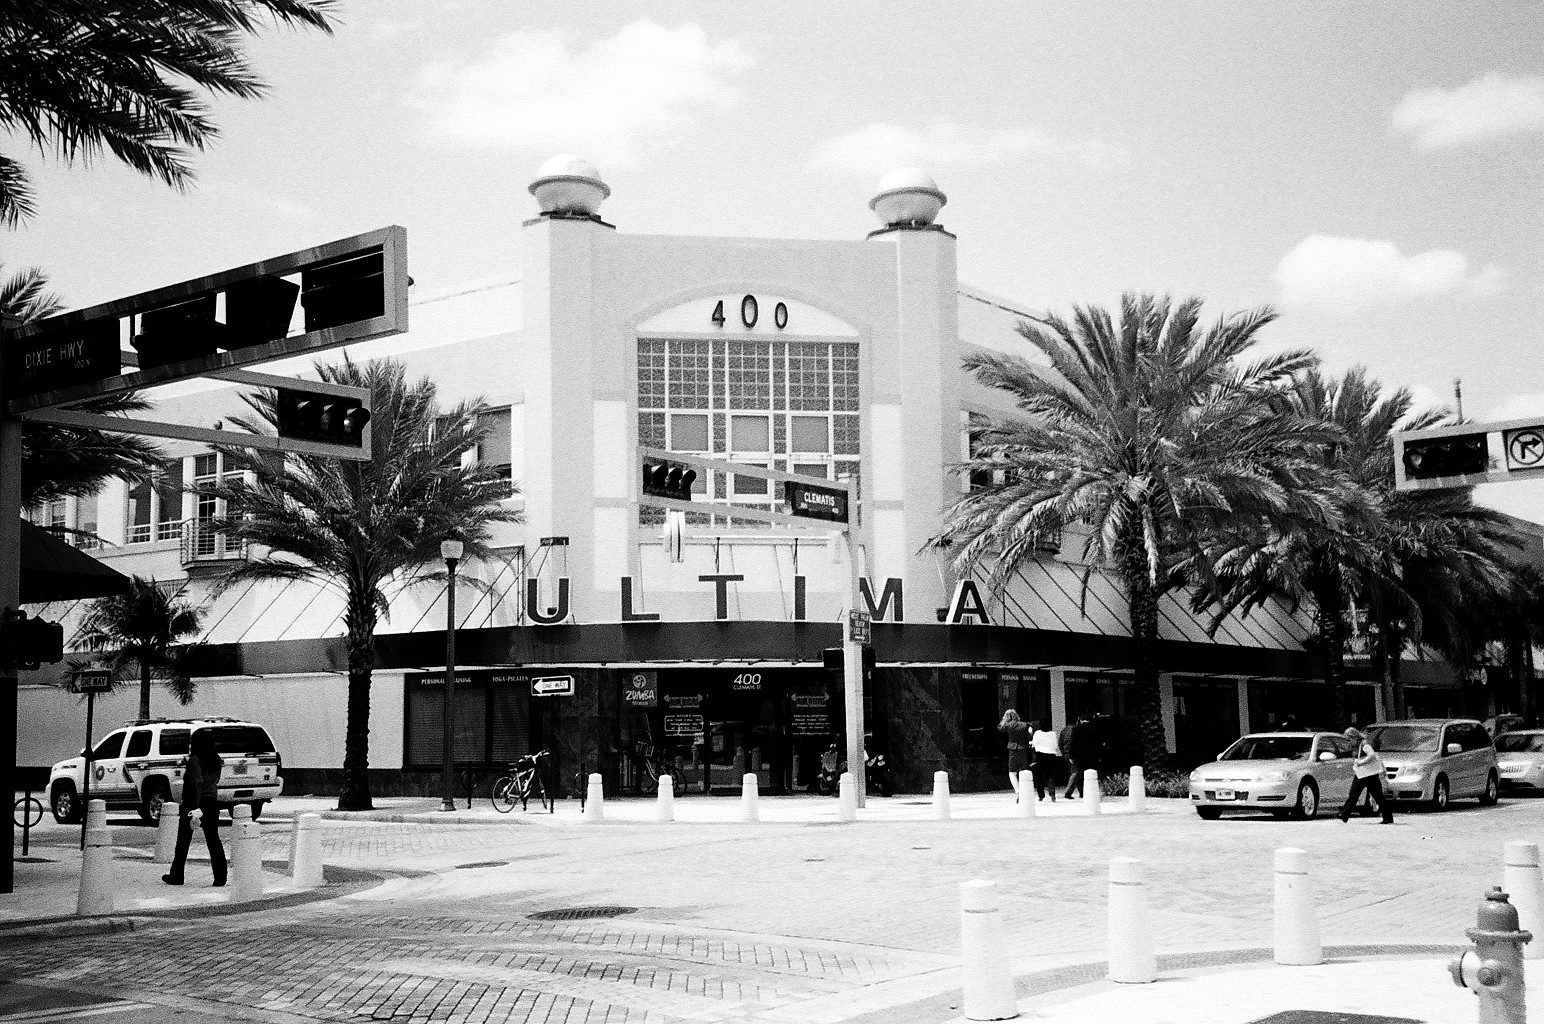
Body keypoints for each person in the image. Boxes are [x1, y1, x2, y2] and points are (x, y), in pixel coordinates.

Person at [163, 729, 227, 886]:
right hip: (212, 802)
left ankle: (177, 875)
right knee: (213, 840)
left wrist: (196, 809)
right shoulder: (216, 760)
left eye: (192, 742)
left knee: (183, 841)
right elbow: (215, 781)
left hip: (194, 803)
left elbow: (197, 783)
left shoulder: (195, 761)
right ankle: (220, 876)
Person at [1337, 726, 1393, 825]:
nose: (1348, 742)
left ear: (1354, 737)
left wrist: (1361, 762)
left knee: (1377, 796)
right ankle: (1344, 814)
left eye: (1349, 739)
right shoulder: (1356, 746)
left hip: (1369, 774)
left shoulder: (1364, 744)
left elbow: (1372, 755)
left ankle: (1388, 817)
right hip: (1362, 774)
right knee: (1354, 794)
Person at [998, 709, 1031, 800]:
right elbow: (1029, 737)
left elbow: (999, 728)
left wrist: (1004, 720)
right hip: (1023, 749)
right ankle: (1024, 790)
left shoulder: (1007, 725)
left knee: (1012, 772)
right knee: (1023, 770)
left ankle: (1018, 791)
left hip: (1012, 749)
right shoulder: (1024, 725)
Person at [1063, 715, 1093, 799]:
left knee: (1077, 773)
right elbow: (1097, 743)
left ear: (1080, 720)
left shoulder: (1076, 729)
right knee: (1090, 773)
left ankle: (1072, 792)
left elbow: (1073, 744)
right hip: (1090, 756)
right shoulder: (1093, 728)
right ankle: (1087, 792)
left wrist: (1071, 756)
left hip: (1078, 756)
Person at [1030, 718, 1060, 801]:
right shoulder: (1053, 734)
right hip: (1051, 756)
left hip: (1040, 755)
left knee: (1039, 777)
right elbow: (1055, 745)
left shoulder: (1037, 733)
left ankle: (1041, 795)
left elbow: (1034, 744)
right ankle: (1052, 792)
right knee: (1050, 776)